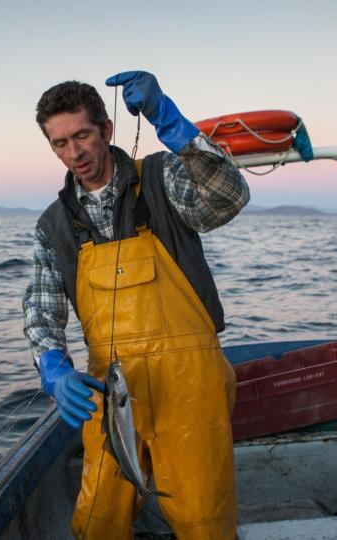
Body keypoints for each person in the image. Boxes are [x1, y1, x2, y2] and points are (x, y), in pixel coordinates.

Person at [22, 71, 249, 539]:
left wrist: (173, 123)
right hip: (110, 390)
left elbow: (228, 198)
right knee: (96, 520)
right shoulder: (54, 225)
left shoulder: (165, 179)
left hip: (191, 387)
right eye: (60, 144)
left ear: (106, 129)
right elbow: (42, 312)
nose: (74, 153)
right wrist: (52, 365)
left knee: (204, 521)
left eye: (82, 135)